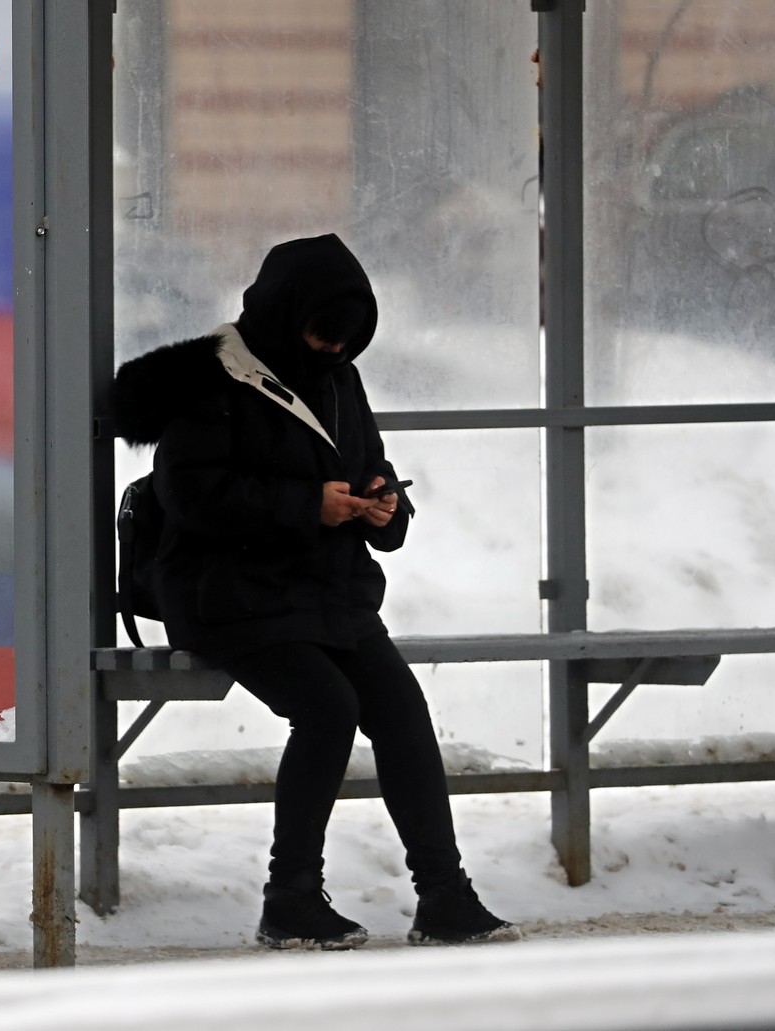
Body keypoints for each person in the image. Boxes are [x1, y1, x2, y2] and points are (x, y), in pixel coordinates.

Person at [112, 234, 522, 949]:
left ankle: (444, 894)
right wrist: (309, 506)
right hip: (227, 595)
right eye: (322, 333)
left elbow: (370, 466)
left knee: (400, 707)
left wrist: (383, 506)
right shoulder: (214, 377)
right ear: (282, 311)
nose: (333, 350)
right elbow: (193, 495)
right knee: (329, 709)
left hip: (320, 592)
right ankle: (290, 896)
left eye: (348, 341)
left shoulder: (338, 378)